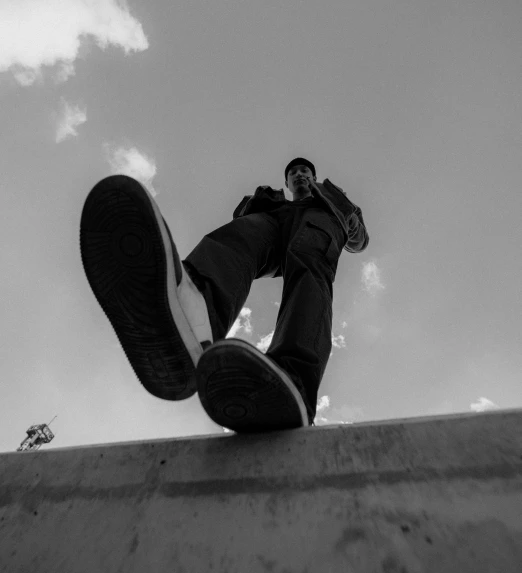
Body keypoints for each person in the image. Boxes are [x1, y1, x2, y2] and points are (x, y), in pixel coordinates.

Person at [80, 157, 369, 433]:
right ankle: (194, 316)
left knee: (309, 268)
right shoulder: (269, 201)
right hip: (274, 219)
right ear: (289, 182)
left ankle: (294, 380)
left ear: (313, 178)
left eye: (305, 171)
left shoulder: (332, 200)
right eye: (294, 173)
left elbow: (359, 241)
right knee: (240, 236)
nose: (300, 174)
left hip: (317, 220)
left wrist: (352, 222)